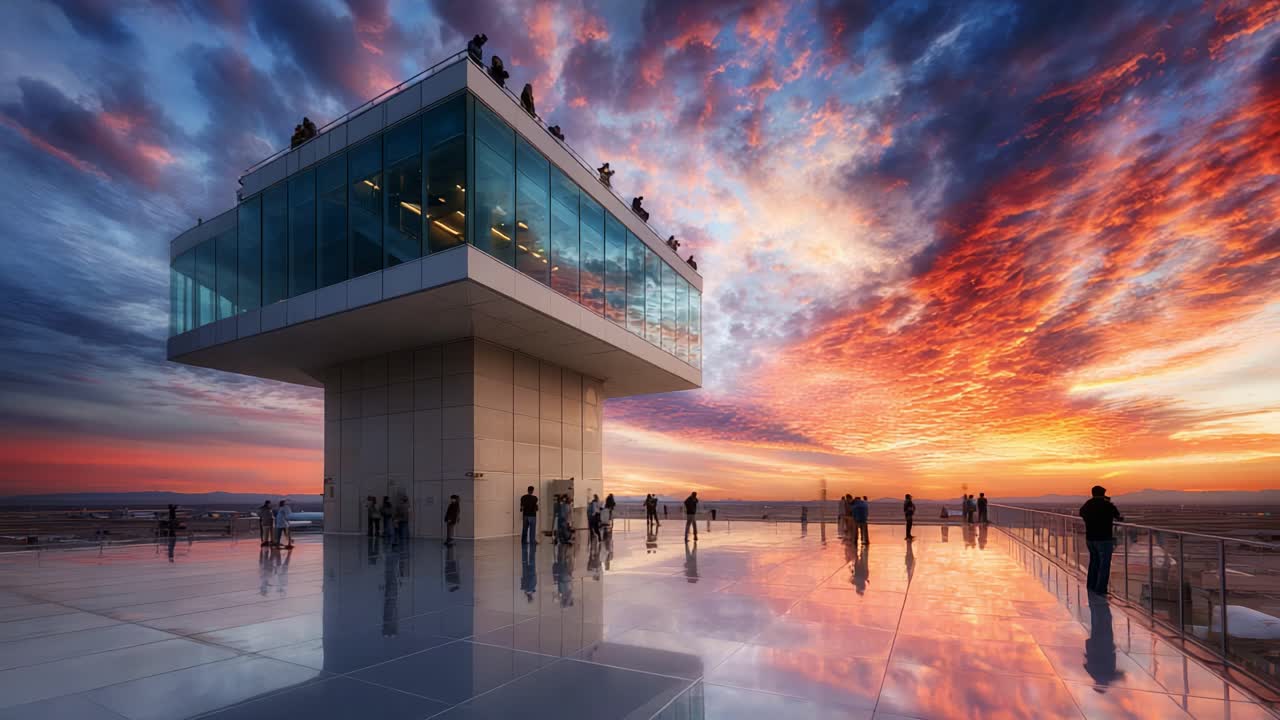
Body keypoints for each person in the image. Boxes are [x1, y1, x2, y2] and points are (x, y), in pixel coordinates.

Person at [1080, 486, 1123, 595]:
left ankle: (1091, 586)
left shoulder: (1088, 504)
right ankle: (1100, 589)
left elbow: (1081, 513)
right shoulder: (1107, 506)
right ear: (1103, 494)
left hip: (1090, 538)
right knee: (1104, 565)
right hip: (1104, 539)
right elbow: (1118, 516)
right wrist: (1108, 503)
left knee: (1094, 562)